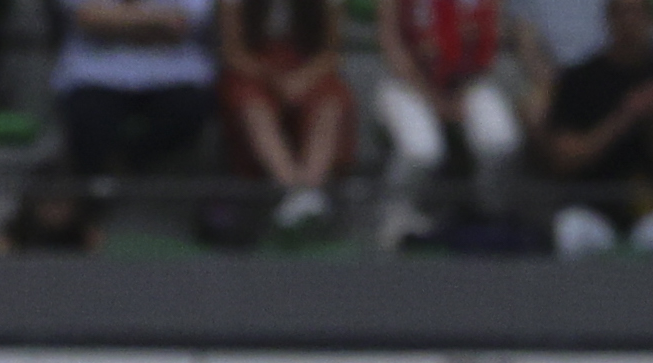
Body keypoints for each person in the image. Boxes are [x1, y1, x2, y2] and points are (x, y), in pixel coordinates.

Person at [539, 0, 653, 257]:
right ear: (607, 20)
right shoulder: (578, 79)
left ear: (651, 19)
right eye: (620, 14)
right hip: (592, 209)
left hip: (651, 213)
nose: (629, 22)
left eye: (636, 13)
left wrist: (651, 121)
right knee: (567, 235)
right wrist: (622, 118)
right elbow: (563, 160)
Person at [372, 0, 543, 240]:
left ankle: (490, 214)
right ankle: (394, 217)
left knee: (500, 141)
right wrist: (433, 98)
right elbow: (392, 43)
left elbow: (486, 45)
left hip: (466, 82)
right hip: (407, 84)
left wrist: (460, 93)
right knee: (421, 150)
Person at [219, 0, 350, 232]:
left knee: (330, 102)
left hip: (308, 69)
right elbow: (233, 53)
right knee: (251, 105)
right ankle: (293, 189)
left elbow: (330, 54)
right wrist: (271, 78)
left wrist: (302, 78)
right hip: (254, 68)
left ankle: (309, 188)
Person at [49, 0, 218, 178]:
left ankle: (125, 166)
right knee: (87, 113)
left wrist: (116, 20)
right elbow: (88, 18)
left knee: (188, 107)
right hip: (94, 74)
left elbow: (183, 23)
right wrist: (157, 21)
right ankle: (95, 185)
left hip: (175, 74)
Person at [0, 167, 103, 249]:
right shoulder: (15, 231)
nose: (55, 211)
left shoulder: (85, 232)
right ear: (33, 204)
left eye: (61, 203)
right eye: (48, 203)